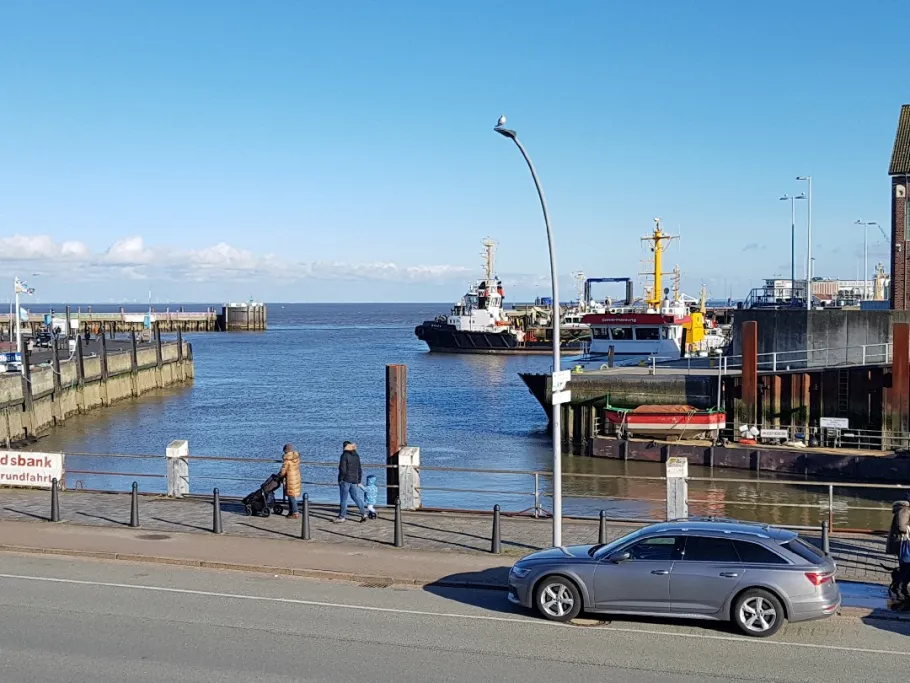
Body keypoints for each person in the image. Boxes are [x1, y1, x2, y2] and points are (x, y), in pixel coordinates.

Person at [335, 440, 367, 523]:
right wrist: (359, 480)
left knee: (344, 499)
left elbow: (343, 469)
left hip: (345, 479)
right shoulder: (356, 455)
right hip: (354, 479)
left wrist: (341, 479)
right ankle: (363, 513)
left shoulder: (344, 455)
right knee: (355, 497)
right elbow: (359, 469)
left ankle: (342, 516)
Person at [887, 493, 910, 598]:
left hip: (904, 543)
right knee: (906, 567)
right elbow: (901, 527)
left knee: (906, 567)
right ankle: (898, 588)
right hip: (903, 543)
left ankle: (901, 587)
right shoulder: (905, 510)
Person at [277, 443, 301, 519]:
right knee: (292, 495)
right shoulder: (296, 458)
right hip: (296, 477)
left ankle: (295, 512)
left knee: (291, 496)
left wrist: (279, 476)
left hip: (290, 478)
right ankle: (291, 511)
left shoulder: (287, 460)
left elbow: (283, 471)